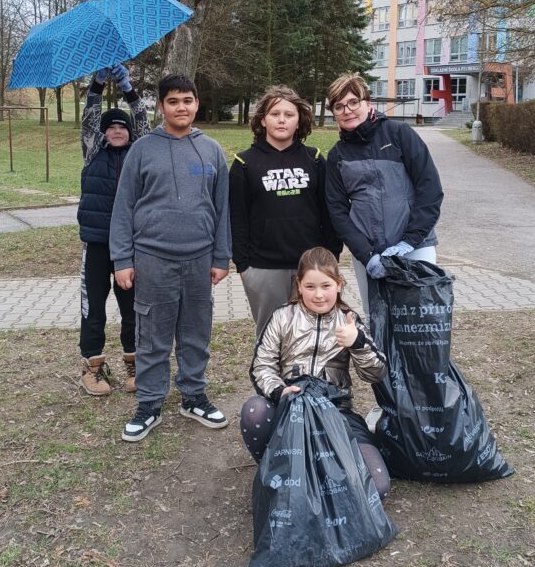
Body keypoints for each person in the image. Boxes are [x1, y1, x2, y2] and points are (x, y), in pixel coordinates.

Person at [110, 73, 231, 442]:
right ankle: (149, 403)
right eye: (173, 101)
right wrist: (122, 260)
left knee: (196, 332)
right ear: (161, 106)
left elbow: (222, 209)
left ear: (197, 104)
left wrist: (221, 256)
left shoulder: (212, 150)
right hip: (152, 259)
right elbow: (123, 207)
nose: (181, 107)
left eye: (187, 100)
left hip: (199, 260)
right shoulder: (142, 150)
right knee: (152, 335)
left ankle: (193, 396)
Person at [240, 247, 391, 499]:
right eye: (310, 286)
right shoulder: (282, 316)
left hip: (336, 413)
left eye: (326, 286)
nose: (319, 295)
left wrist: (357, 343)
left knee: (377, 485)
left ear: (339, 285)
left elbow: (375, 373)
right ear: (298, 285)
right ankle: (277, 469)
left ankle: (319, 478)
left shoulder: (349, 321)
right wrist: (280, 392)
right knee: (255, 411)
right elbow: (262, 365)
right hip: (290, 411)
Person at [325, 72, 443, 318]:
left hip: (415, 246)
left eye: (353, 102)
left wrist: (410, 241)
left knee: (419, 318)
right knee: (377, 318)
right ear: (334, 112)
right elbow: (337, 210)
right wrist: (366, 255)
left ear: (367, 102)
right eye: (339, 106)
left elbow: (429, 189)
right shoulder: (337, 155)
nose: (347, 110)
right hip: (370, 254)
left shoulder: (399, 133)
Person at [229, 85, 342, 338]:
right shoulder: (244, 163)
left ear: (299, 120)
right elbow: (237, 218)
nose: (282, 120)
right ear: (263, 120)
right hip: (263, 268)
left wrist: (332, 255)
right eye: (275, 114)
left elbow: (329, 211)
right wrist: (243, 265)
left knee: (314, 335)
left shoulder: (314, 159)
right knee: (272, 337)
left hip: (312, 265)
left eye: (289, 114)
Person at [77, 63, 150, 396]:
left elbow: (143, 120)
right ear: (104, 133)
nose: (118, 131)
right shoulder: (93, 151)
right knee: (93, 308)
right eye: (112, 127)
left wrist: (128, 89)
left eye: (123, 127)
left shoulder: (140, 153)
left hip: (131, 246)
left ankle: (135, 363)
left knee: (132, 307)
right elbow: (90, 119)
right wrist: (97, 85)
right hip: (96, 243)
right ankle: (92, 367)